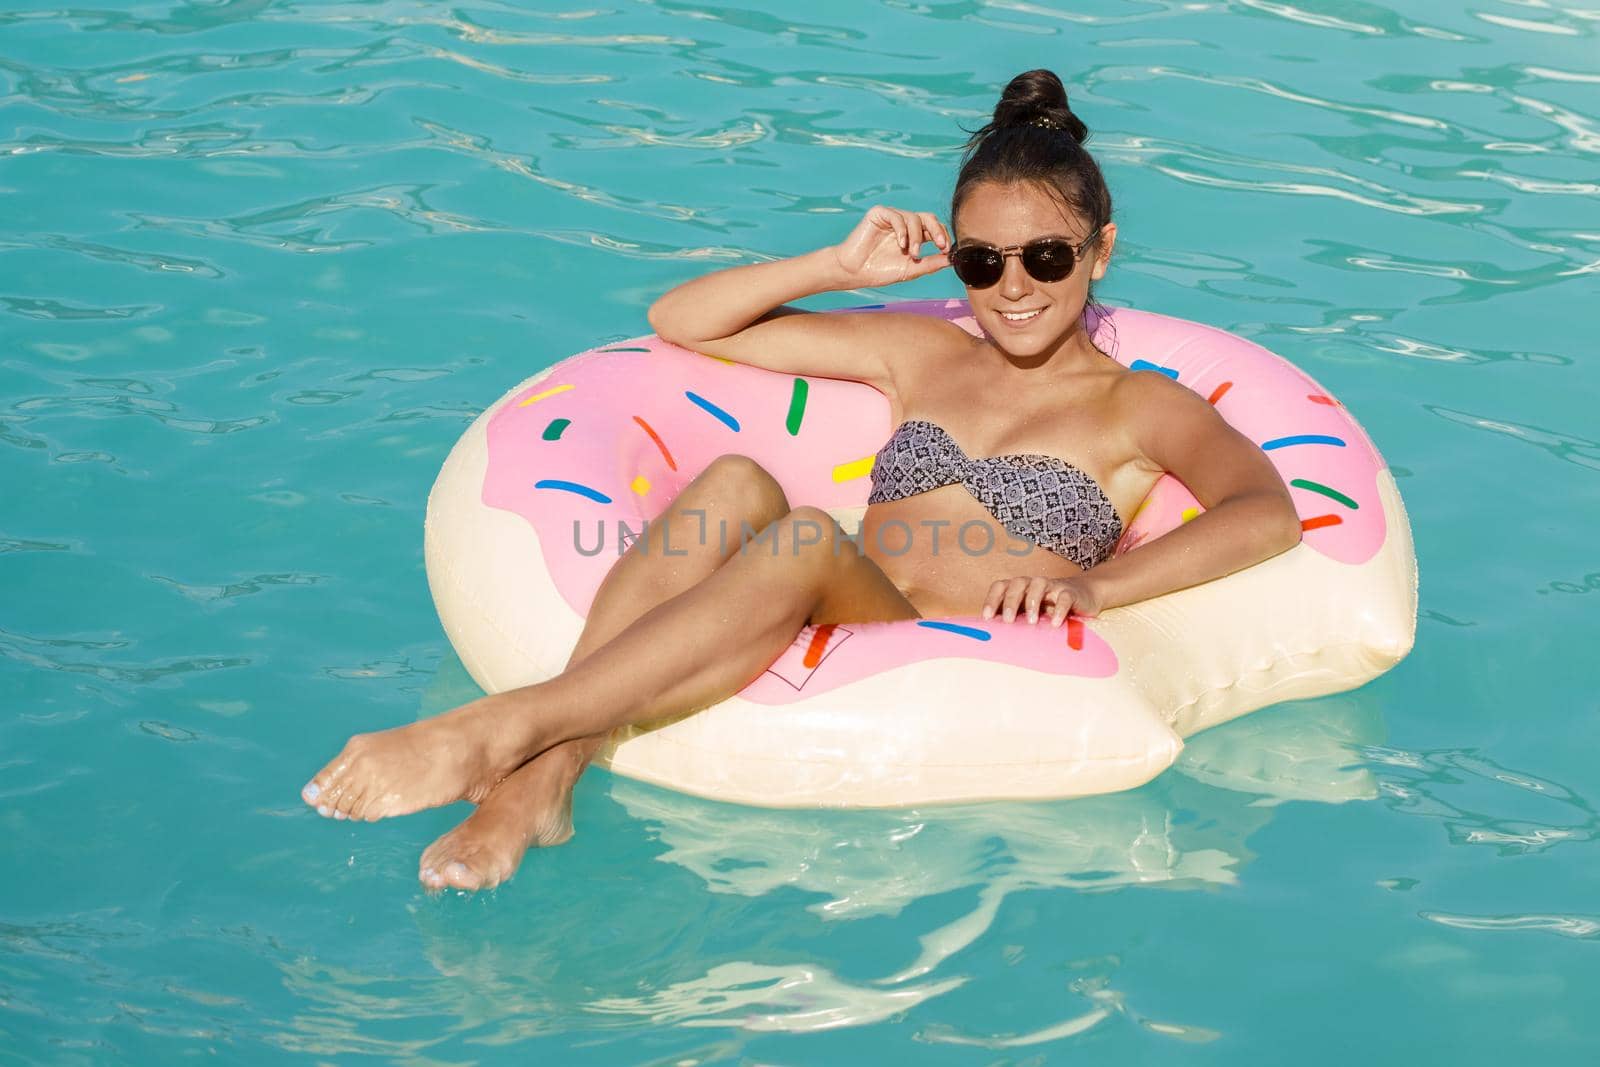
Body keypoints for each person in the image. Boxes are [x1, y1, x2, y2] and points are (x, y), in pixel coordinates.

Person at [299, 69, 1302, 892]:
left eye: (1045, 255)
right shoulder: (924, 353)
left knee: (810, 537)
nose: (1013, 287)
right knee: (736, 478)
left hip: (945, 653)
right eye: (979, 261)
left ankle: (505, 729)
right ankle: (542, 780)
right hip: (851, 600)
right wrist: (837, 264)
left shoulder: (1140, 405)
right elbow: (683, 319)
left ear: (1098, 251)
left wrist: (1096, 585)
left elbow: (1266, 512)